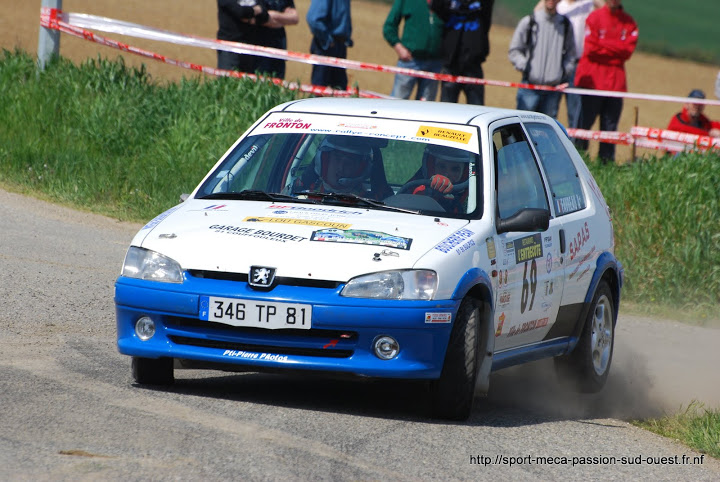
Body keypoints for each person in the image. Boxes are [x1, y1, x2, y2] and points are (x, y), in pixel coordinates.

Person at [573, 0, 637, 163]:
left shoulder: (629, 22)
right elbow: (591, 49)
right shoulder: (594, 18)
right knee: (583, 128)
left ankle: (605, 166)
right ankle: (577, 162)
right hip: (592, 82)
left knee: (610, 130)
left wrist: (604, 44)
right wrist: (616, 48)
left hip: (615, 84)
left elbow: (627, 52)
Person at [534, 0, 604, 127]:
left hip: (577, 63)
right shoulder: (558, 4)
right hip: (554, 64)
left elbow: (606, 8)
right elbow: (537, 11)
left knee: (575, 110)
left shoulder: (588, 5)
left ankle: (573, 144)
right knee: (550, 109)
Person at [509, 0, 576, 119]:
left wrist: (562, 73)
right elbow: (514, 50)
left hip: (552, 91)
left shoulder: (565, 25)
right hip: (529, 88)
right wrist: (527, 68)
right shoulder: (530, 21)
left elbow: (571, 55)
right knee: (522, 129)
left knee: (546, 133)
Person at [430, 0, 495, 105]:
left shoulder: (482, 6)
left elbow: (487, 7)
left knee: (476, 108)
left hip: (473, 63)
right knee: (446, 109)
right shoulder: (447, 5)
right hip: (451, 63)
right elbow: (436, 5)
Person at [216, 0, 299, 79]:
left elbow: (294, 18)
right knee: (229, 83)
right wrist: (282, 19)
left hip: (272, 49)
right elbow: (241, 13)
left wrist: (273, 15)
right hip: (232, 48)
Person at [294, 136, 392, 200]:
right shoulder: (297, 193)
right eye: (336, 159)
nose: (341, 167)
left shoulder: (374, 203)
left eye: (349, 162)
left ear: (361, 168)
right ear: (323, 161)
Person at [382, 0, 444, 101]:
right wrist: (399, 47)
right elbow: (389, 26)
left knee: (427, 107)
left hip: (434, 64)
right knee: (398, 102)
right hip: (409, 62)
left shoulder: (446, 3)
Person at [407, 144, 473, 213]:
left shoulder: (473, 196)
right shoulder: (418, 190)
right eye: (441, 166)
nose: (447, 174)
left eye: (455, 169)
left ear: (465, 172)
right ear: (431, 167)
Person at [306, 0, 353, 89]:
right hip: (326, 47)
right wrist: (328, 40)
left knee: (340, 91)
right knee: (320, 90)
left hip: (340, 46)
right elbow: (313, 19)